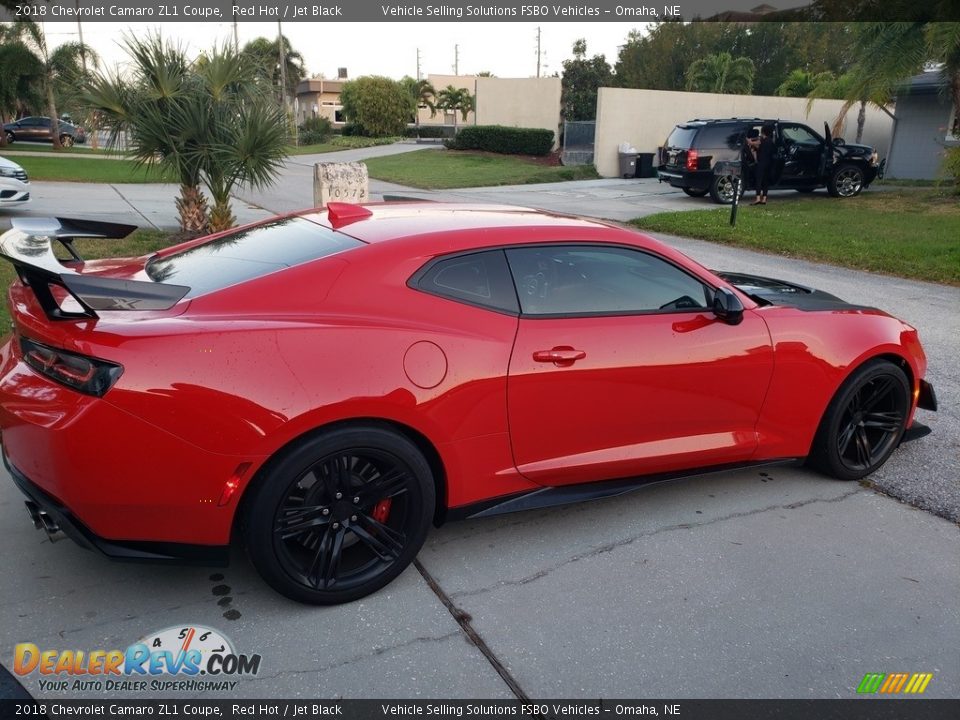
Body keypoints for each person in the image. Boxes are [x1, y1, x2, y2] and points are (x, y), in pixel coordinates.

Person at [752, 124, 775, 205]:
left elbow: (755, 147)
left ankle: (758, 198)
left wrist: (749, 141)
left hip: (761, 163)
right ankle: (764, 199)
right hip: (768, 163)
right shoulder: (771, 141)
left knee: (759, 180)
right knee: (765, 181)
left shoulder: (762, 141)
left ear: (763, 132)